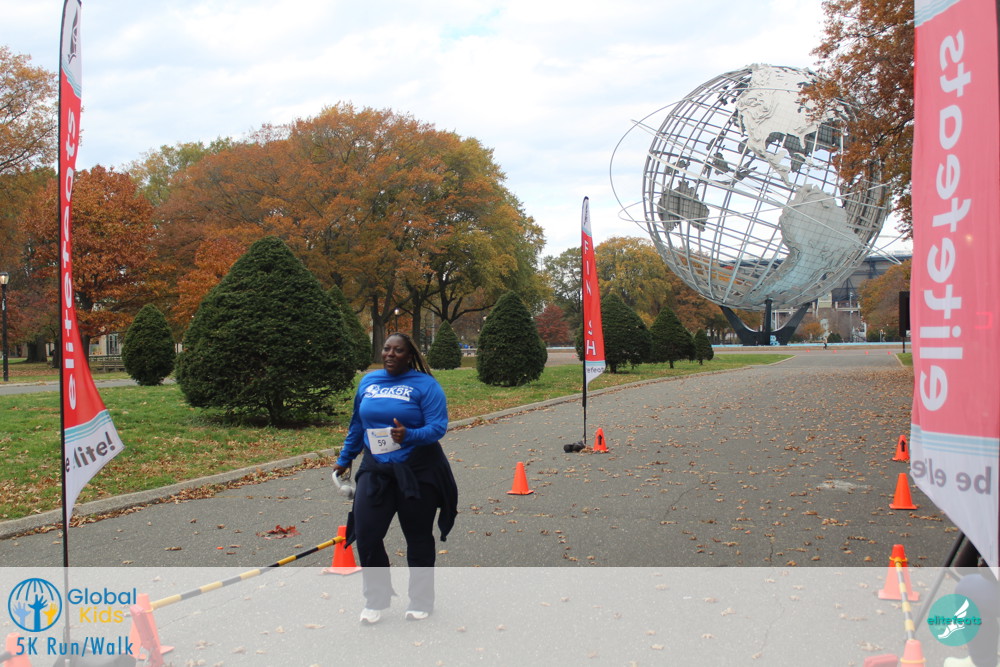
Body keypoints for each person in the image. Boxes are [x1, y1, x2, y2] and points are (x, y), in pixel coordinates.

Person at [332, 332, 458, 625]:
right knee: (366, 533)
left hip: (417, 471)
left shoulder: (426, 385)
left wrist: (409, 434)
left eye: (398, 350)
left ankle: (421, 601)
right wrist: (345, 458)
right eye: (387, 349)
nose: (390, 354)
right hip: (376, 469)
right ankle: (375, 599)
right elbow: (358, 424)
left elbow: (438, 427)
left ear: (409, 355)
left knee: (417, 536)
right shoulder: (369, 382)